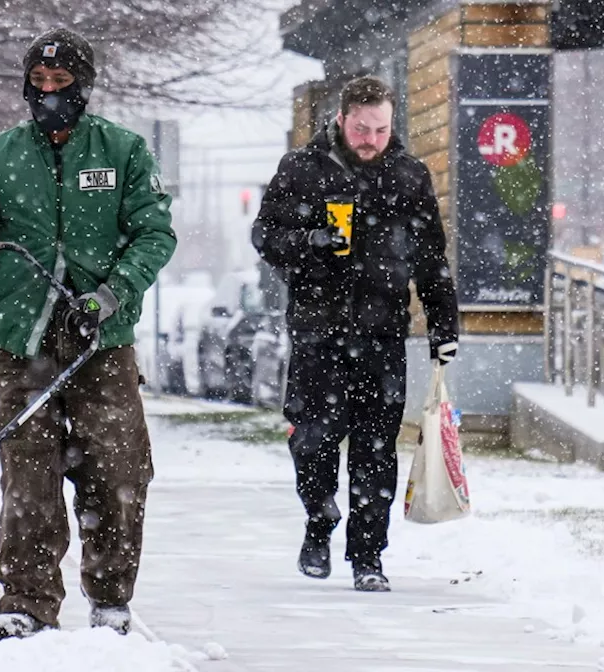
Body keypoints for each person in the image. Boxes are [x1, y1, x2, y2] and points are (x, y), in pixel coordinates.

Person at [0, 27, 176, 639]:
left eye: (61, 83)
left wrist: (110, 292)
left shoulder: (122, 151)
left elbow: (155, 234)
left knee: (118, 471)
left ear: (84, 87)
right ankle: (26, 601)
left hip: (102, 340)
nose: (48, 93)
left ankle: (112, 598)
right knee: (28, 474)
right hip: (24, 339)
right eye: (38, 83)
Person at [251, 75, 459, 592]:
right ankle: (319, 525)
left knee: (375, 447)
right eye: (362, 128)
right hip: (317, 332)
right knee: (314, 440)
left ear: (394, 125)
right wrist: (312, 241)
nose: (370, 139)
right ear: (341, 120)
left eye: (381, 130)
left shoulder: (409, 177)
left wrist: (443, 324)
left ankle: (369, 557)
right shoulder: (302, 169)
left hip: (382, 334)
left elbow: (432, 259)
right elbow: (266, 235)